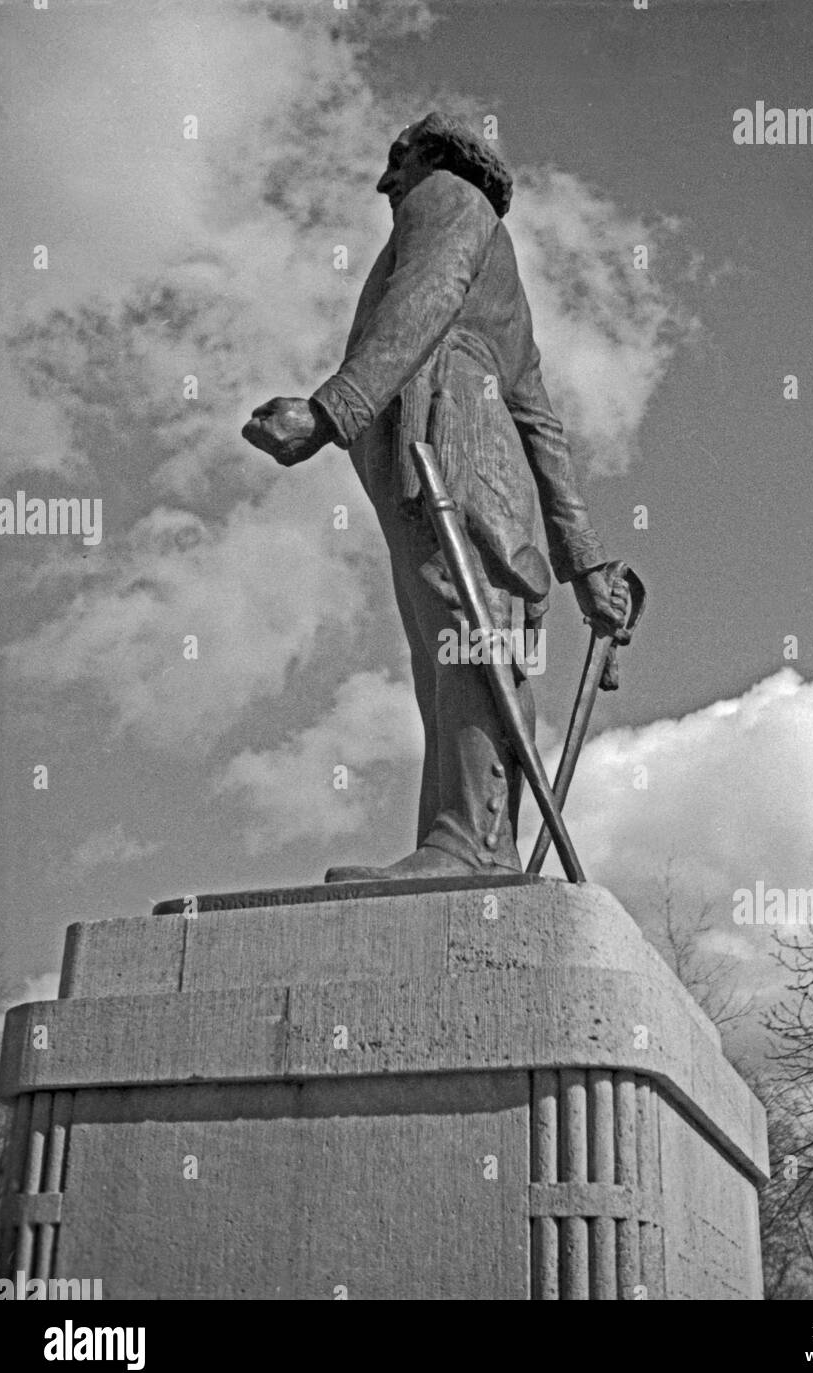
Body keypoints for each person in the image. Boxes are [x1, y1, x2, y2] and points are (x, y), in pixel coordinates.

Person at [243, 113, 627, 881]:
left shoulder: (448, 197)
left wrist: (329, 413)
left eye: (398, 161)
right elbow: (540, 418)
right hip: (473, 458)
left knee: (465, 637)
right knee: (455, 651)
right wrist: (583, 565)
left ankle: (471, 847)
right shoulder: (498, 261)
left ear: (437, 157)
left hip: (453, 448)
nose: (387, 183)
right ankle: (468, 843)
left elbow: (426, 294)